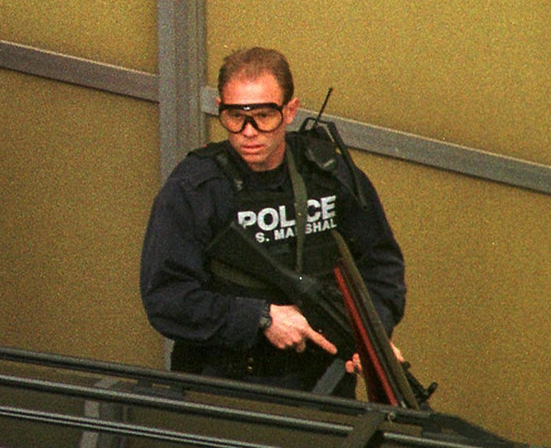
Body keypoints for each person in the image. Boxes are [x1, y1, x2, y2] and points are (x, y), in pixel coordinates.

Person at [139, 47, 405, 396]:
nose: (249, 131)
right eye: (235, 116)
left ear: (290, 110)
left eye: (264, 116)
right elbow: (166, 297)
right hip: (224, 383)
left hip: (322, 382)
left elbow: (382, 268)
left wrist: (370, 337)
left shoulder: (329, 174)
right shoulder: (195, 188)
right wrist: (260, 319)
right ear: (220, 107)